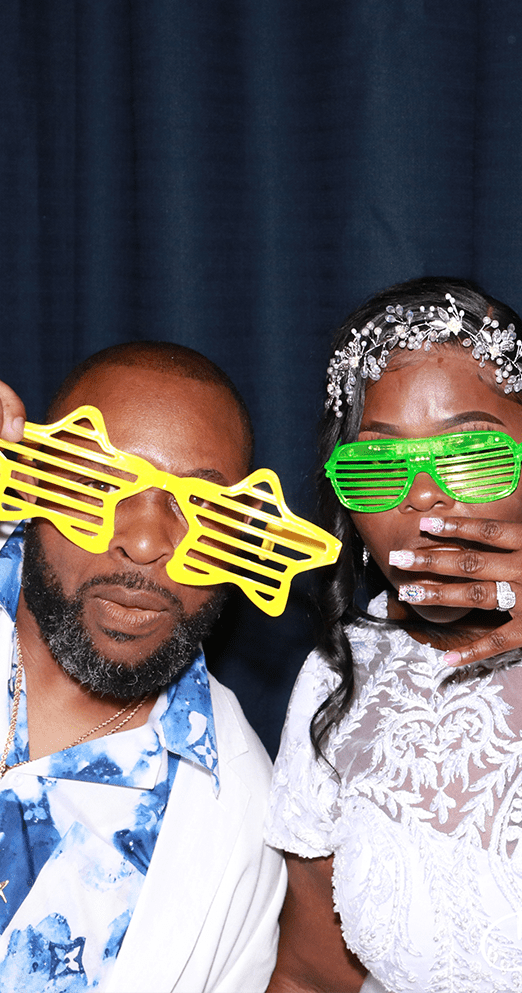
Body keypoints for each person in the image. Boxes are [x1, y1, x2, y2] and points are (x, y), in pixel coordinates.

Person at [265, 277, 522, 992]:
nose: (423, 495)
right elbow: (312, 973)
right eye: (378, 464)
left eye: (469, 452)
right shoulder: (335, 673)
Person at [0, 341, 286, 993]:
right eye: (101, 482)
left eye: (202, 507)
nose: (147, 539)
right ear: (32, 478)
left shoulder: (244, 816)